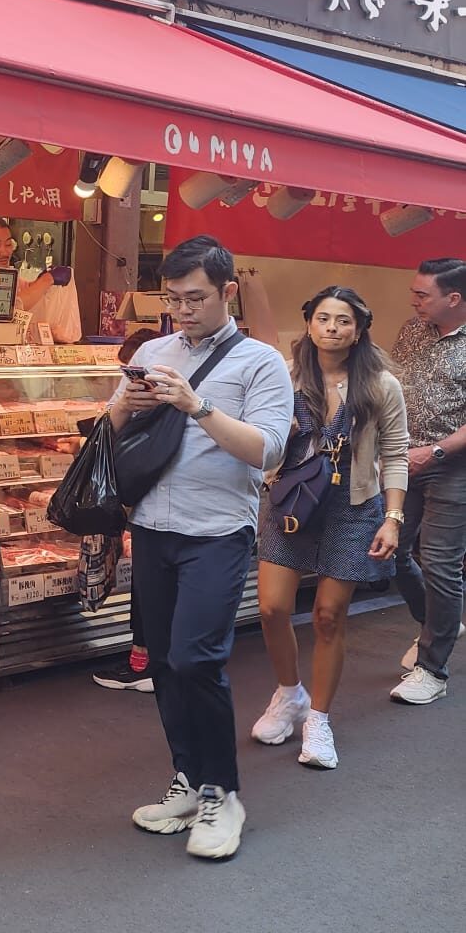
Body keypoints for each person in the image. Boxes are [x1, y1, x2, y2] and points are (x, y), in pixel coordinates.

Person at [108, 235, 291, 861]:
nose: (182, 311)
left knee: (196, 660)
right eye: (172, 299)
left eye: (196, 299)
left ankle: (222, 793)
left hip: (217, 533)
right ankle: (187, 778)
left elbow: (269, 450)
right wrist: (124, 405)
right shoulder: (154, 349)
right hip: (154, 527)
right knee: (160, 660)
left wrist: (197, 404)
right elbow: (110, 431)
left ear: (227, 292)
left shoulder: (261, 362)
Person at [251, 287, 406, 768]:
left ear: (359, 330)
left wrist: (393, 518)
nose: (332, 328)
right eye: (323, 318)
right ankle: (288, 693)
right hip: (292, 500)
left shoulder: (380, 385)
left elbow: (396, 453)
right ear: (309, 324)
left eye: (343, 320)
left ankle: (318, 718)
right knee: (273, 608)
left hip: (353, 506)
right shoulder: (287, 375)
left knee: (327, 616)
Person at [388, 257, 466, 705]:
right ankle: (438, 622)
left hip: (452, 466)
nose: (413, 300)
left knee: (439, 563)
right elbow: (393, 384)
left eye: (423, 294)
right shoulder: (411, 330)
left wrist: (433, 451)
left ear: (453, 298)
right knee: (392, 554)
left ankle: (432, 668)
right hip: (402, 460)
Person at [91, 327, 161, 693]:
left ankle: (143, 663)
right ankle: (147, 660)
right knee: (149, 585)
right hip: (148, 503)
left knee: (148, 587)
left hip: (147, 500)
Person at [0, 216, 77, 342]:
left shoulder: (14, 278)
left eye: (8, 244)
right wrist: (47, 280)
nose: (4, 252)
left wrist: (40, 284)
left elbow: (24, 296)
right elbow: (12, 307)